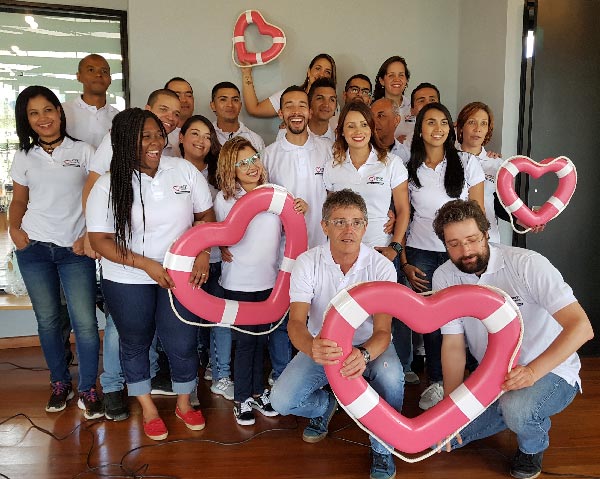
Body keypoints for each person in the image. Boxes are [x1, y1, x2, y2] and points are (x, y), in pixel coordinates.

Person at [431, 199, 594, 479]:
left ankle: (531, 446)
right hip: (494, 376)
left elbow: (582, 327)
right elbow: (454, 345)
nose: (465, 251)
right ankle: (511, 412)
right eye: (454, 244)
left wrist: (532, 373)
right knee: (438, 439)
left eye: (472, 239)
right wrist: (451, 409)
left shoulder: (527, 264)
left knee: (517, 409)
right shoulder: (444, 276)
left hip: (549, 370)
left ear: (486, 234)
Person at [86, 108, 214, 440]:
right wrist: (147, 265)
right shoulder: (107, 185)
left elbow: (206, 216)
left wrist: (203, 252)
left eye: (159, 134)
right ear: (124, 141)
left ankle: (184, 404)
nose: (156, 142)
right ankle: (148, 408)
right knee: (134, 341)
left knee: (182, 341)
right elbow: (100, 240)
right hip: (126, 277)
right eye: (146, 136)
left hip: (178, 275)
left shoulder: (183, 170)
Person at [271, 189, 404, 479]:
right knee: (280, 401)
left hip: (369, 346)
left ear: (365, 227)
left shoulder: (382, 266)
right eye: (339, 222)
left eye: (356, 222)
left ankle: (383, 448)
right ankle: (324, 406)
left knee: (393, 379)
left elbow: (383, 330)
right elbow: (296, 323)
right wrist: (312, 347)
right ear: (325, 226)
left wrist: (365, 353)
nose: (348, 230)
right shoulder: (307, 262)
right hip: (323, 345)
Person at [9, 85, 103, 419]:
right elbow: (19, 200)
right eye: (33, 113)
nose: (42, 118)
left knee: (85, 323)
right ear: (27, 120)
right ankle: (60, 383)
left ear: (59, 112)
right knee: (48, 321)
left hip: (75, 249)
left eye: (48, 110)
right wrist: (14, 230)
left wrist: (90, 236)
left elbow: (99, 198)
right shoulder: (24, 156)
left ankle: (89, 387)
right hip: (34, 249)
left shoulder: (85, 151)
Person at [402, 102, 485, 410]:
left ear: (451, 129)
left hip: (460, 252)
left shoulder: (466, 162)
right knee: (433, 322)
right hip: (422, 251)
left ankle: (476, 381)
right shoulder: (409, 166)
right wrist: (404, 261)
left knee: (469, 315)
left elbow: (477, 212)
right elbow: (402, 214)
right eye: (430, 122)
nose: (437, 128)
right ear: (420, 129)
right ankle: (438, 382)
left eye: (443, 122)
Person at [215, 137, 290, 425]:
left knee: (262, 340)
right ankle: (241, 398)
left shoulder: (276, 194)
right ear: (230, 169)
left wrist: (300, 206)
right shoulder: (225, 199)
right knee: (245, 343)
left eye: (253, 158)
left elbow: (288, 230)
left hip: (269, 281)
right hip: (239, 284)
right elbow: (219, 233)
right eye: (242, 163)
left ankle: (257, 392)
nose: (251, 166)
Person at [179, 114, 234, 402]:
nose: (201, 141)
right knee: (186, 324)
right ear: (181, 138)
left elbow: (229, 214)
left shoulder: (219, 174)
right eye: (195, 134)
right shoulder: (170, 171)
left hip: (217, 259)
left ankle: (221, 375)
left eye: (207, 136)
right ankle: (187, 384)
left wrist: (220, 243)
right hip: (182, 264)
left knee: (221, 320)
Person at [262, 86, 331, 249]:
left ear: (310, 112)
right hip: (283, 249)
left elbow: (336, 193)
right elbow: (263, 202)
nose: (296, 111)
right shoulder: (268, 155)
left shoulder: (328, 149)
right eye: (289, 106)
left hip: (322, 245)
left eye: (302, 105)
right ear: (281, 113)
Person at [456, 101, 505, 243]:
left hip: (488, 239)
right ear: (461, 127)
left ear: (488, 130)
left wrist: (524, 220)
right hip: (454, 239)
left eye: (484, 123)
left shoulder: (497, 164)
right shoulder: (447, 160)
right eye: (472, 122)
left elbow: (502, 205)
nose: (478, 129)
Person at [241, 53, 336, 118]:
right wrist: (246, 73)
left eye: (327, 72)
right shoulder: (289, 95)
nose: (321, 74)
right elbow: (254, 109)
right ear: (308, 72)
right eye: (318, 68)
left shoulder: (332, 106)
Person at [62, 54, 119, 148]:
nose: (98, 74)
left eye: (104, 71)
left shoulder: (118, 118)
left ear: (110, 79)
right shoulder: (63, 112)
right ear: (79, 76)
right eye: (91, 70)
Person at [210, 81, 265, 151]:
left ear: (240, 105)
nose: (230, 105)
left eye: (235, 100)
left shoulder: (255, 140)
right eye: (223, 100)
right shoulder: (206, 136)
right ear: (213, 105)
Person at [373, 56, 411, 142]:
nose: (397, 79)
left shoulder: (413, 107)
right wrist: (394, 143)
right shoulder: (373, 108)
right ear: (382, 81)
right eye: (391, 75)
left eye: (401, 75)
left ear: (406, 80)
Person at [371, 98, 410, 164]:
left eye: (380, 116)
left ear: (396, 120)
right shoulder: (361, 152)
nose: (374, 122)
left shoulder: (405, 155)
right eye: (371, 117)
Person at [403, 82, 441, 147]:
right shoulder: (406, 143)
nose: (427, 104)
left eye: (432, 100)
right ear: (412, 111)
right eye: (421, 101)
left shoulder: (453, 135)